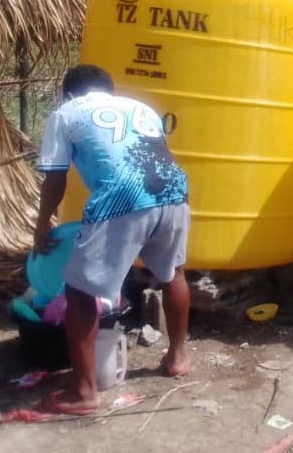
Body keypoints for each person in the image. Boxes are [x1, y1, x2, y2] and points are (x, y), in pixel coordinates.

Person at [33, 65, 191, 414]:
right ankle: (177, 358)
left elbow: (55, 181)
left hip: (121, 198)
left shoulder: (66, 112)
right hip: (174, 189)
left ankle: (84, 391)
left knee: (78, 292)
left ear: (69, 93)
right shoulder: (141, 108)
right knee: (173, 273)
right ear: (108, 90)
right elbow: (149, 158)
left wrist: (42, 225)